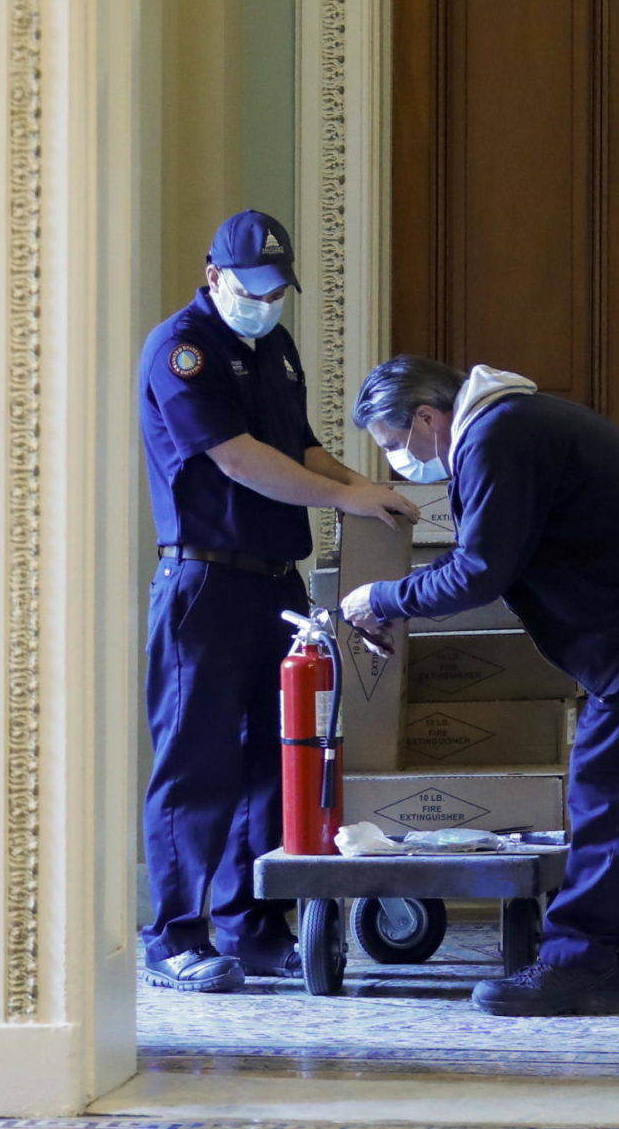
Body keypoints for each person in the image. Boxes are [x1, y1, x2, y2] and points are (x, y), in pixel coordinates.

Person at [340, 357, 619, 1017]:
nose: (400, 462)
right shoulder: (511, 422)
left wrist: (382, 598)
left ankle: (577, 963)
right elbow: (494, 554)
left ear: (427, 418)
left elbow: (480, 571)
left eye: (394, 443)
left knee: (609, 785)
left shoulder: (497, 435)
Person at [135, 210, 417, 992]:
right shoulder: (182, 349)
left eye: (275, 291)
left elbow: (301, 448)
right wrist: (345, 500)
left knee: (277, 756)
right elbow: (239, 460)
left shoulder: (276, 348)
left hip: (274, 583)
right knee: (196, 763)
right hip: (204, 582)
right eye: (251, 289)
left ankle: (253, 926)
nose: (264, 303)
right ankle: (174, 936)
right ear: (214, 275)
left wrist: (367, 488)